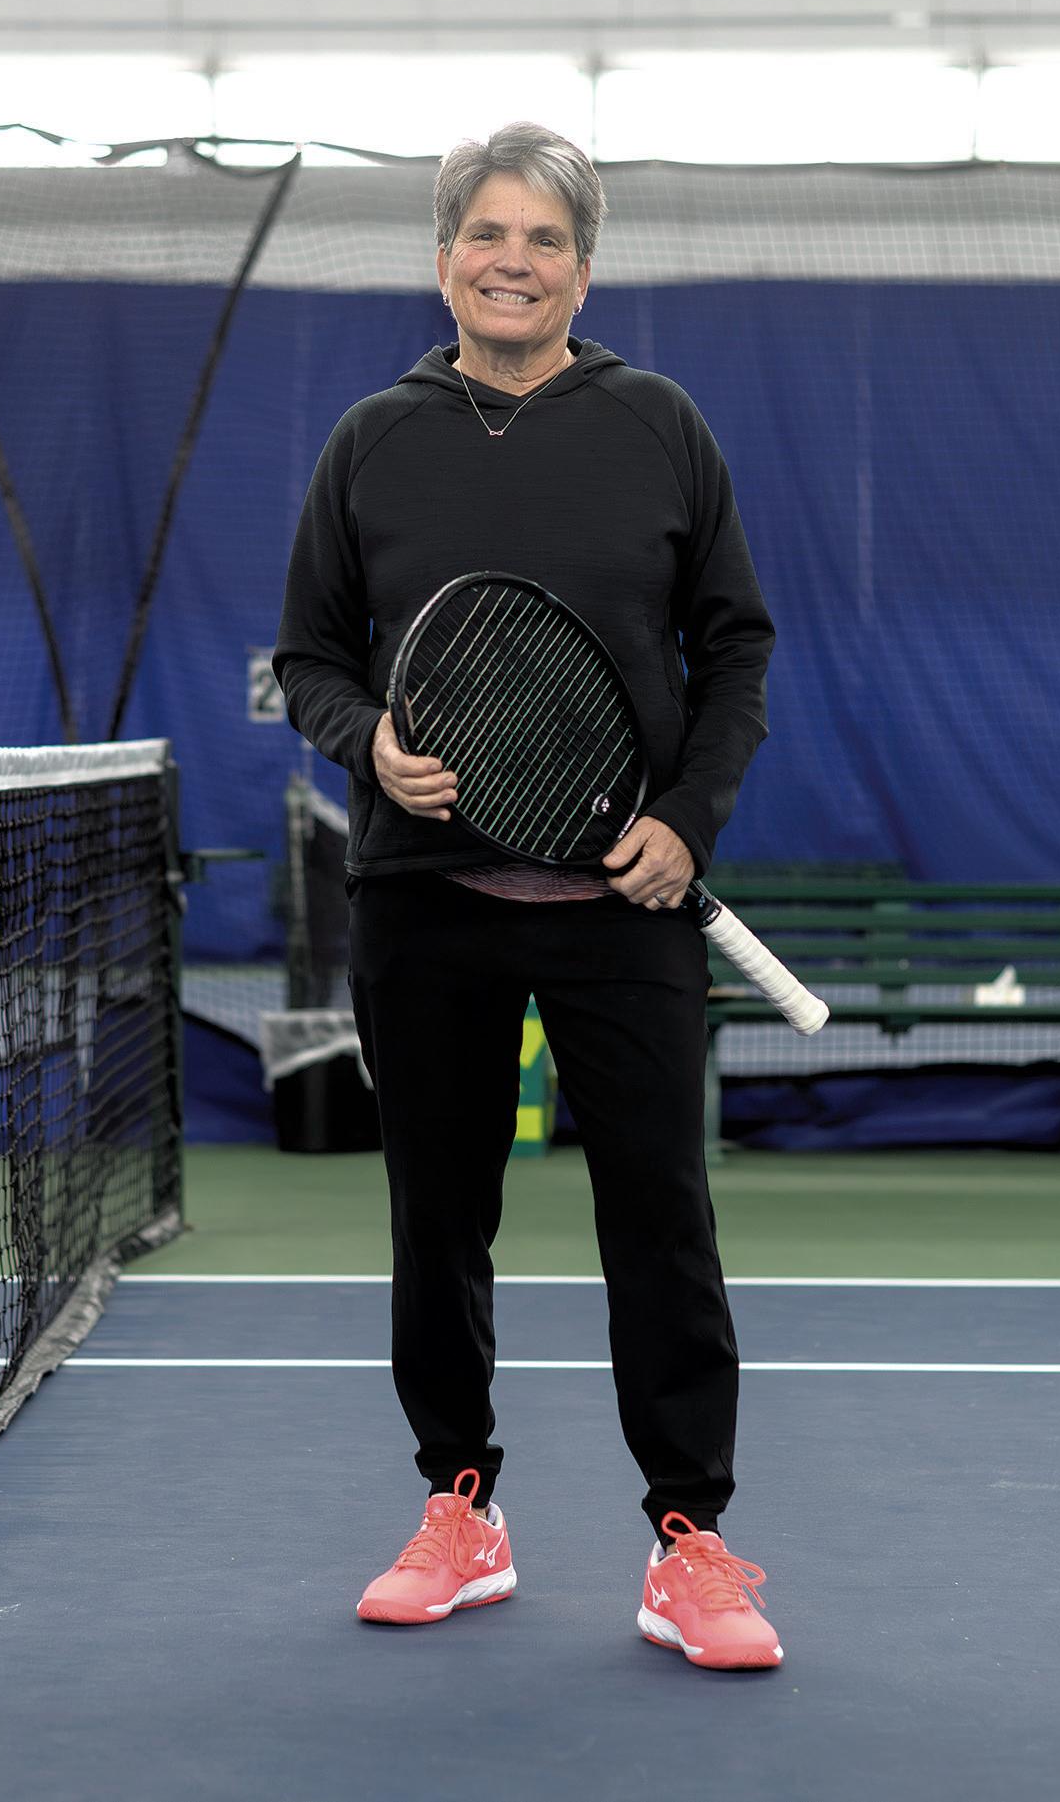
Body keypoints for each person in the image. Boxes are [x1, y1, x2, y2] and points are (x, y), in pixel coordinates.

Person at [272, 123, 784, 1672]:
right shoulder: (372, 439)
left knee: (662, 1220)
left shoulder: (660, 424)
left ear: (582, 267)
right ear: (444, 261)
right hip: (424, 904)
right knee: (440, 1219)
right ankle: (461, 1507)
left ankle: (689, 1539)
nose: (514, 260)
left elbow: (736, 647)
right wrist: (371, 742)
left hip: (625, 904)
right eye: (487, 234)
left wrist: (687, 819)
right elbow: (311, 655)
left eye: (545, 238)